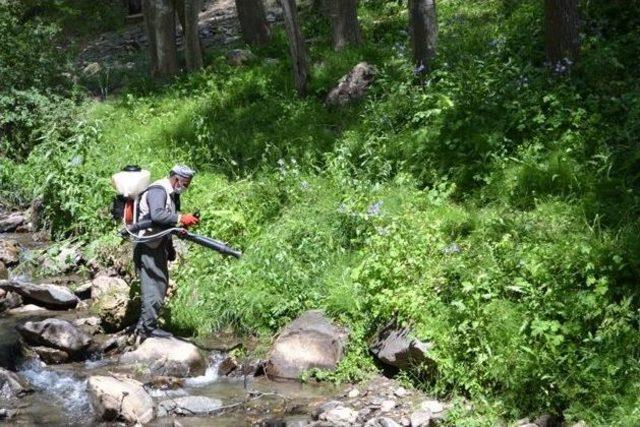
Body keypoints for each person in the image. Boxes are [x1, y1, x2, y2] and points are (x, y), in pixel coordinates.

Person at [132, 164, 199, 340]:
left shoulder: (172, 194)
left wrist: (170, 248)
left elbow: (165, 225)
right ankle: (148, 329)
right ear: (177, 179)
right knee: (154, 286)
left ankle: (143, 327)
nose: (186, 187)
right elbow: (157, 215)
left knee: (159, 284)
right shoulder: (159, 191)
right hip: (147, 245)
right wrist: (180, 218)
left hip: (157, 243)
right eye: (186, 183)